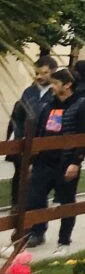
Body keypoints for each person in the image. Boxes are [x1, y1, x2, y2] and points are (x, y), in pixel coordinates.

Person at [23, 68, 85, 247]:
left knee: (66, 202)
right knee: (34, 198)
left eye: (55, 83)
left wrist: (76, 161)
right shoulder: (48, 105)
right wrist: (32, 160)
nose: (51, 87)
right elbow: (39, 132)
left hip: (66, 161)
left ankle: (64, 239)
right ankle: (36, 233)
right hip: (44, 161)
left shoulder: (80, 104)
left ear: (67, 85)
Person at [7, 56, 57, 187]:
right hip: (24, 141)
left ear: (53, 72)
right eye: (37, 73)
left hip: (43, 143)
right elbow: (18, 116)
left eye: (44, 73)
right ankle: (16, 205)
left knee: (37, 181)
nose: (39, 77)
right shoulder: (29, 92)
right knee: (19, 176)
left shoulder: (56, 93)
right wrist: (16, 137)